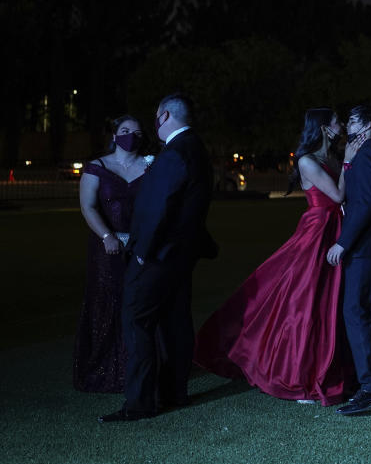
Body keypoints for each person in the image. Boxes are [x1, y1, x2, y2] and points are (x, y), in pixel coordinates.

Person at [193, 109, 355, 404]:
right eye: (336, 121)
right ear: (323, 127)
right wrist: (347, 161)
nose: (341, 125)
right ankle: (296, 373)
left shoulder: (330, 157)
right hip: (318, 230)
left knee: (330, 299)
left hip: (336, 228)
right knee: (304, 300)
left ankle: (330, 364)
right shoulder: (307, 160)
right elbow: (337, 195)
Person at [99, 94, 216, 422]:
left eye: (154, 118)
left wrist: (141, 255)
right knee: (176, 321)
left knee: (137, 320)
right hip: (181, 256)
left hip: (158, 257)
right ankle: (174, 392)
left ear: (164, 115)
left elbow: (157, 209)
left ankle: (139, 402)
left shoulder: (176, 152)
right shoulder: (196, 149)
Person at [75, 116, 152, 392]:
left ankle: (139, 367)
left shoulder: (149, 165)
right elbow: (88, 206)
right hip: (107, 247)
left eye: (137, 132)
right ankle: (105, 369)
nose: (131, 135)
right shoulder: (98, 167)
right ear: (115, 134)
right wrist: (107, 236)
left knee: (140, 304)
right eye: (125, 131)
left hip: (141, 247)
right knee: (107, 302)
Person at [326, 105, 371, 415]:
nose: (347, 123)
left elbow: (364, 204)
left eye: (353, 119)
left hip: (365, 248)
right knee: (370, 310)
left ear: (367, 127)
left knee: (355, 311)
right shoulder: (368, 155)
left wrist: (343, 242)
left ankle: (370, 385)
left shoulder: (367, 155)